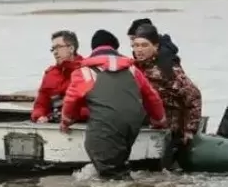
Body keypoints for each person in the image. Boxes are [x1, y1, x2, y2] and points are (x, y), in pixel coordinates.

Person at [60, 30, 167, 179]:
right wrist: (159, 121)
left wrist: (66, 120)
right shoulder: (132, 70)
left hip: (105, 126)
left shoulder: (85, 72)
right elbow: (152, 97)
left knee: (111, 175)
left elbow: (71, 100)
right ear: (116, 50)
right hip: (132, 126)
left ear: (93, 50)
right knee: (118, 164)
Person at [130, 22, 203, 168]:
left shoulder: (168, 70)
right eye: (136, 45)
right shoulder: (133, 68)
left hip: (169, 131)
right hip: (145, 128)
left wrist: (189, 130)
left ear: (155, 46)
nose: (139, 50)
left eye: (144, 45)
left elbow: (194, 96)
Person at [31, 30, 85, 123]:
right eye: (53, 49)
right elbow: (40, 105)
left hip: (80, 126)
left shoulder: (87, 70)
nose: (55, 52)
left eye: (58, 47)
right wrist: (39, 116)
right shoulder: (50, 74)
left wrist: (72, 115)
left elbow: (94, 107)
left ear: (71, 48)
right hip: (53, 125)